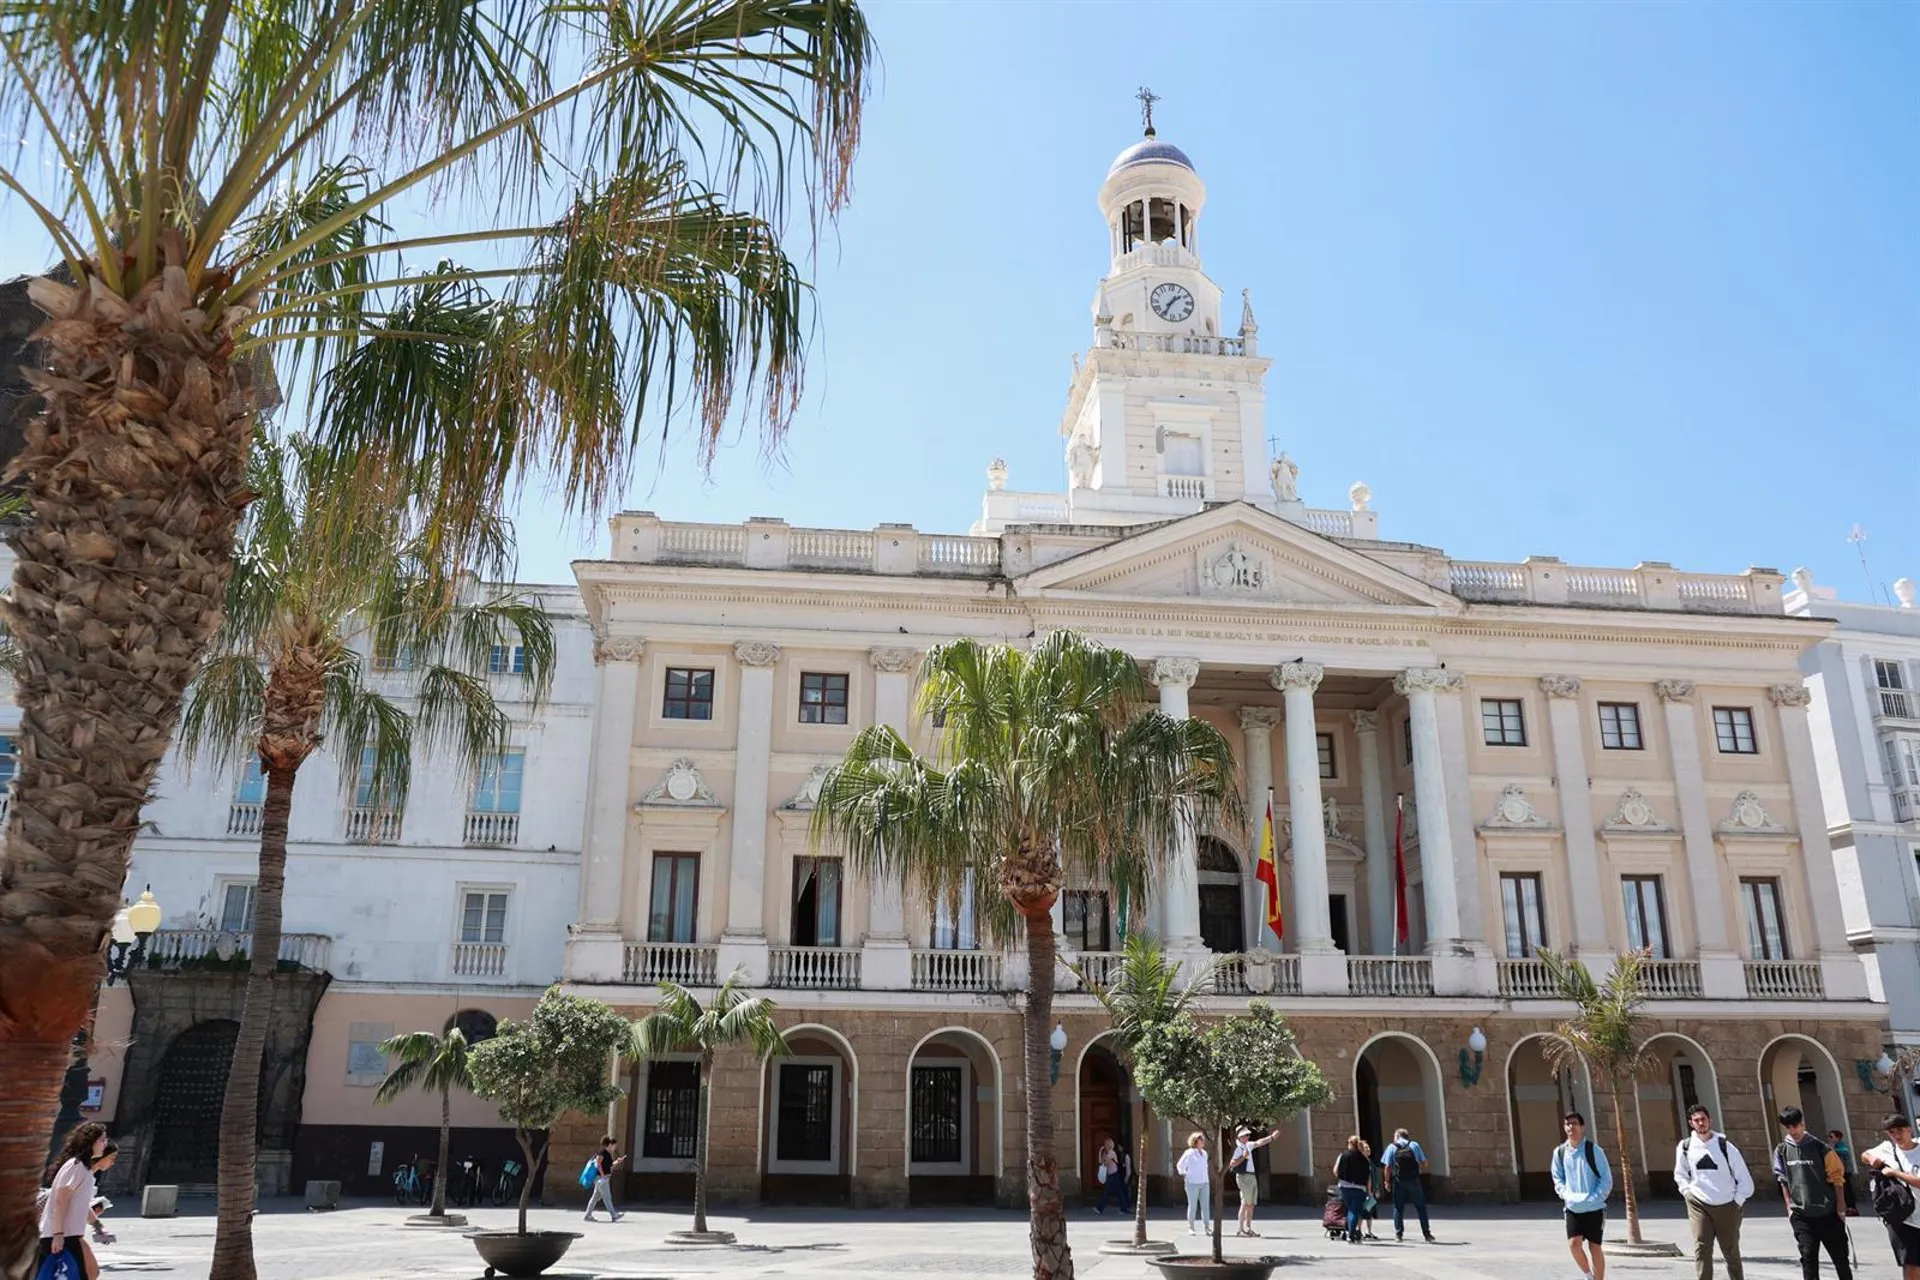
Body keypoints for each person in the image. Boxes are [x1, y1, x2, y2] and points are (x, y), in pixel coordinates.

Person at [1772, 1105, 1852, 1280]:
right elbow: (1783, 1180)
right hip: (1801, 1215)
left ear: (1802, 1123)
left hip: (1828, 1213)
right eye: (1789, 1127)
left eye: (1796, 1125)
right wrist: (1789, 1208)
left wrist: (1840, 1208)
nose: (1793, 1130)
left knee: (1840, 1259)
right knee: (1808, 1258)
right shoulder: (1781, 1150)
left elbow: (1837, 1179)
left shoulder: (1821, 1148)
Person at [1675, 1104, 1751, 1280]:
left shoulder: (1725, 1146)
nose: (1701, 1123)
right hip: (1698, 1204)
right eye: (1696, 1120)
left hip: (1727, 1205)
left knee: (1730, 1251)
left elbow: (1745, 1179)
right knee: (1702, 1248)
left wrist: (1736, 1202)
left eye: (1703, 1119)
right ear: (1691, 1123)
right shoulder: (1685, 1147)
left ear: (1710, 1120)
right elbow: (1680, 1174)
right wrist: (1687, 1192)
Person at [40, 1122, 108, 1280]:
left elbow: (80, 1205)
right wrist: (58, 1235)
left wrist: (97, 1225)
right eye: (102, 1140)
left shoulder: (84, 1169)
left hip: (69, 1235)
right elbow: (60, 1201)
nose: (105, 1144)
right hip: (60, 1236)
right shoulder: (75, 1166)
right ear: (91, 1141)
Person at [1859, 1112, 1920, 1280]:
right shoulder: (1887, 1148)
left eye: (1900, 1130)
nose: (1897, 1135)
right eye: (1892, 1132)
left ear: (1909, 1130)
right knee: (1911, 1264)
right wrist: (1872, 1159)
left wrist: (1895, 1172)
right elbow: (1864, 1155)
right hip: (1902, 1216)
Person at [1552, 1111, 1613, 1280]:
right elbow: (1558, 1178)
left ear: (1582, 1127)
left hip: (1594, 1207)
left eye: (1574, 1123)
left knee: (1595, 1246)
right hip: (1573, 1207)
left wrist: (1595, 1198)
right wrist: (1566, 1194)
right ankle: (1588, 1275)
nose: (1571, 1127)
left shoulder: (1594, 1151)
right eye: (1567, 1124)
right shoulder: (1560, 1153)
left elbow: (1606, 1179)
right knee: (1574, 1244)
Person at [1381, 1126, 1436, 1243]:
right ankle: (1427, 1234)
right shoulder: (1414, 1145)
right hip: (1413, 1180)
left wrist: (1386, 1181)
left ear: (1397, 1136)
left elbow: (1387, 1167)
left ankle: (1398, 1234)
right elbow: (1425, 1163)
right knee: (1420, 1207)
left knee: (1398, 1207)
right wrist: (1418, 1166)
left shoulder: (1392, 1147)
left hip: (1398, 1181)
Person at [1229, 1124, 1281, 1238]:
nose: (1247, 1137)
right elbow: (1232, 1163)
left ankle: (1248, 1228)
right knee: (1244, 1203)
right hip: (1243, 1176)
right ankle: (1241, 1229)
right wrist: (1243, 1157)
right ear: (1239, 1136)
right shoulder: (1238, 1148)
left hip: (1251, 1176)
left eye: (1247, 1135)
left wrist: (1271, 1137)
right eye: (1244, 1135)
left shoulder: (1247, 1145)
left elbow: (1259, 1142)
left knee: (1251, 1204)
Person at [1332, 1136, 1372, 1244]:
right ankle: (1351, 1234)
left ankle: (1350, 1232)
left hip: (1344, 1187)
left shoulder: (1343, 1155)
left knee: (1350, 1210)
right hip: (1359, 1188)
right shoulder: (1364, 1158)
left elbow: (1335, 1171)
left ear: (1349, 1143)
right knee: (1354, 1211)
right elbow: (1368, 1176)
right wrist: (1369, 1191)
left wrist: (1342, 1178)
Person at [1175, 1131, 1212, 1237]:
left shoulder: (1204, 1153)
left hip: (1204, 1182)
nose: (1203, 1141)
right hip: (1192, 1183)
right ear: (1195, 1141)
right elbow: (1180, 1165)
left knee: (1205, 1206)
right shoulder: (1189, 1152)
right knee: (1193, 1206)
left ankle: (1207, 1227)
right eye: (1201, 1139)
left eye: (1203, 1139)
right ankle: (1191, 1227)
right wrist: (1185, 1174)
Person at [582, 1135, 625, 1223]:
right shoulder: (602, 1152)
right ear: (609, 1144)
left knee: (595, 1197)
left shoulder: (607, 1154)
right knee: (607, 1197)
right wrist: (602, 1176)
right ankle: (614, 1215)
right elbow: (598, 1164)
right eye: (614, 1145)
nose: (615, 1147)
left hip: (603, 1178)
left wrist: (617, 1161)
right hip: (601, 1179)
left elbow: (609, 1166)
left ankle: (587, 1215)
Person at [1094, 1136, 1128, 1215]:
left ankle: (1100, 1208)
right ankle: (1124, 1208)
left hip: (1114, 1175)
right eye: (1104, 1143)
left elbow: (1105, 1163)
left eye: (1106, 1144)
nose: (1105, 1145)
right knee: (1119, 1192)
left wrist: (1104, 1156)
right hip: (1111, 1175)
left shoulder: (1111, 1153)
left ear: (1109, 1145)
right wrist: (1100, 1152)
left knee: (1106, 1192)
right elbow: (1100, 1162)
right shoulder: (1106, 1153)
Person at [1831, 1130, 1859, 1216]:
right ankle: (1848, 1207)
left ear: (1837, 1138)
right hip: (1842, 1171)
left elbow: (1845, 1150)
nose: (1830, 1139)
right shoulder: (1836, 1145)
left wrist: (1833, 1149)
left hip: (1845, 1171)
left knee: (1847, 1190)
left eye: (1831, 1137)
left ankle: (1851, 1208)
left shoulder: (1840, 1145)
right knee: (1844, 1190)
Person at [1359, 1139, 1383, 1241]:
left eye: (1368, 1147)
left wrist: (1376, 1189)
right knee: (1362, 1212)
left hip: (1371, 1190)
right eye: (1365, 1148)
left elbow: (1374, 1177)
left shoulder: (1370, 1161)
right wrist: (1369, 1191)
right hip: (1364, 1191)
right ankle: (1358, 1230)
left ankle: (1368, 1231)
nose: (1368, 1149)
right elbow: (1367, 1178)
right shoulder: (1361, 1162)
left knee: (1369, 1211)